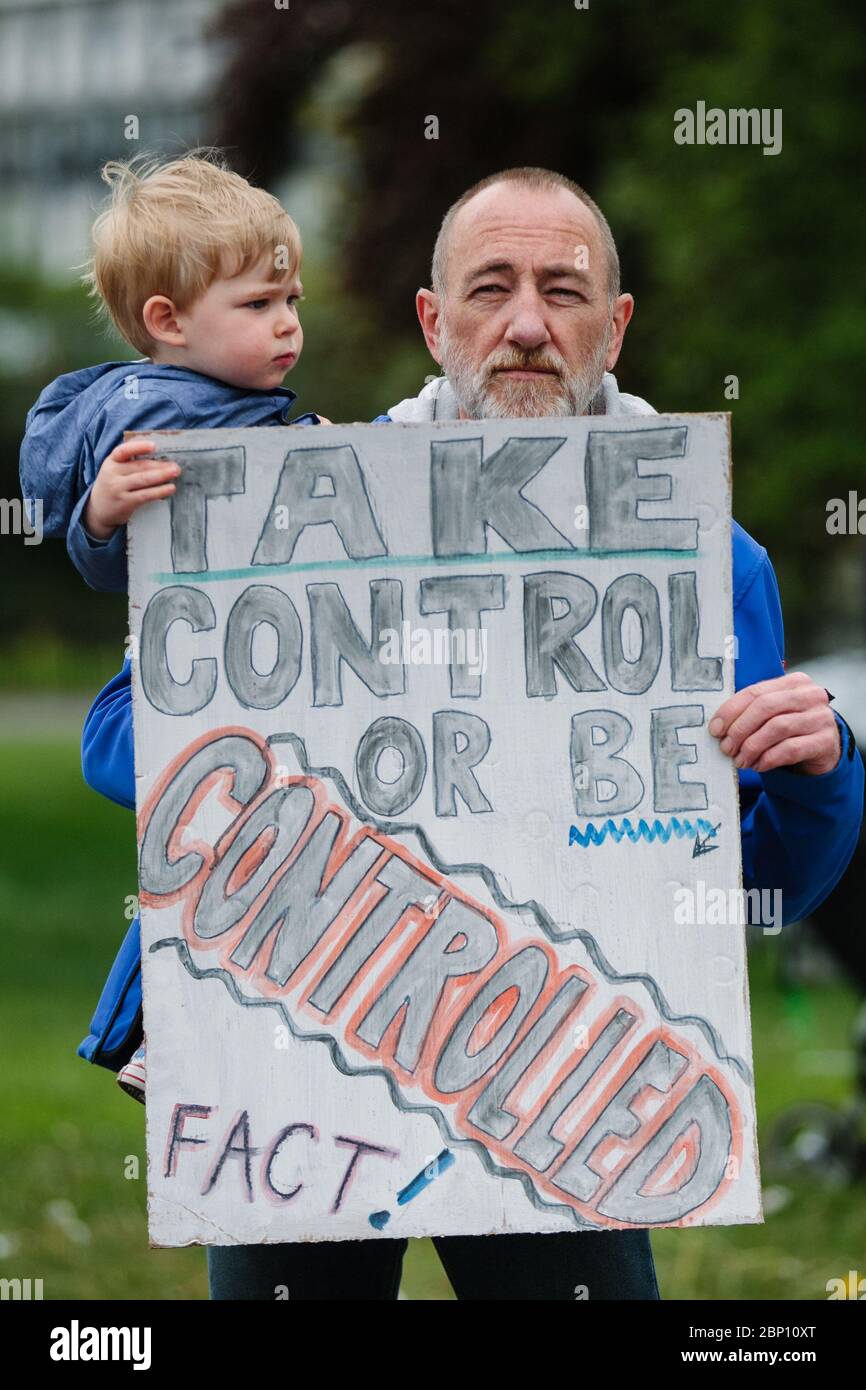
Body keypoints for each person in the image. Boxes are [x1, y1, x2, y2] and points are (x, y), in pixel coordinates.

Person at [79, 166, 864, 1299]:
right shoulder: (289, 504)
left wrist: (821, 773)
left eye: (564, 289)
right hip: (303, 1059)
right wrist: (222, 744)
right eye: (490, 288)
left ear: (617, 326)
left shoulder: (706, 556)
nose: (529, 324)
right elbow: (115, 735)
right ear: (432, 322)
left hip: (565, 1086)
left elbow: (759, 889)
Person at [19, 147, 323, 1101]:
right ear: (168, 320)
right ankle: (159, 1033)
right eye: (258, 305)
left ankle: (196, 1030)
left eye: (293, 302)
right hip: (154, 709)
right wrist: (104, 513)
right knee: (232, 848)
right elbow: (112, 563)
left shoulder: (238, 411)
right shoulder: (164, 426)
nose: (287, 326)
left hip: (225, 703)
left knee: (252, 853)